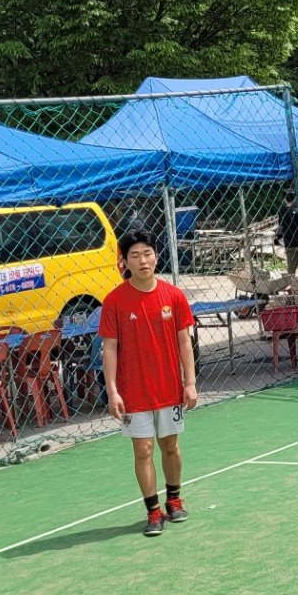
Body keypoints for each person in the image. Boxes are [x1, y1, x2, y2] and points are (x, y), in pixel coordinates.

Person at [100, 229, 198, 537]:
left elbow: (185, 342)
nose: (142, 260)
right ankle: (153, 511)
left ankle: (174, 499)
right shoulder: (114, 301)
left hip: (169, 388)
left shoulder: (174, 296)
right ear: (124, 262)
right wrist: (113, 391)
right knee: (143, 450)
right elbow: (109, 348)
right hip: (133, 392)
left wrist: (190, 383)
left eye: (147, 253)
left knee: (170, 445)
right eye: (135, 255)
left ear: (156, 257)